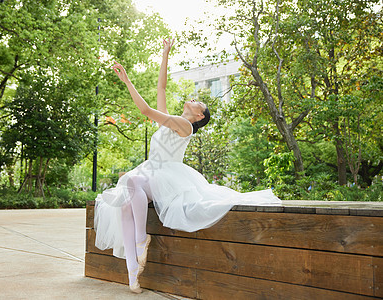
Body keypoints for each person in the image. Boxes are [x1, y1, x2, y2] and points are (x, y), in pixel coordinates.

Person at [93, 38, 281, 293]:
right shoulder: (171, 121)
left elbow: (147, 110)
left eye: (197, 102)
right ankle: (133, 276)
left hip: (166, 174)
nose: (193, 99)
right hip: (151, 170)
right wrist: (165, 53)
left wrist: (127, 81)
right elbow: (160, 89)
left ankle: (140, 241)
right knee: (125, 201)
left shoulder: (185, 126)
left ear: (199, 115)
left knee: (130, 182)